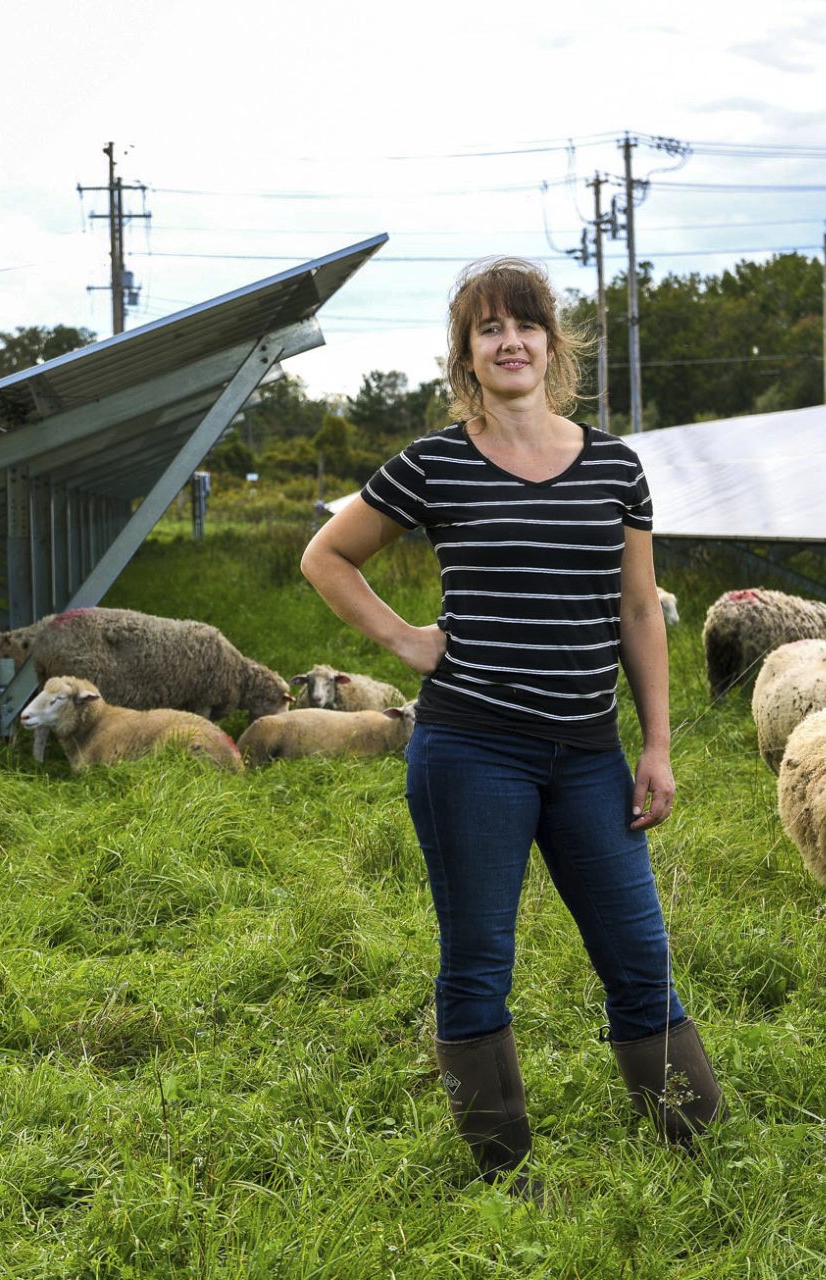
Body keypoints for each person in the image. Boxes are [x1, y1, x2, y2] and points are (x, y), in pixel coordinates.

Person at [299, 257, 721, 1187]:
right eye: (489, 329)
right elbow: (328, 557)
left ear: (551, 342)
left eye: (524, 325)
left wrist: (654, 744)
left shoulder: (614, 464)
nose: (511, 342)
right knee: (480, 959)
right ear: (467, 356)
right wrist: (406, 640)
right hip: (470, 751)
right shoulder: (434, 462)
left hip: (588, 755)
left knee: (639, 954)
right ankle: (501, 1168)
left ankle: (698, 1145)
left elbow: (640, 612)